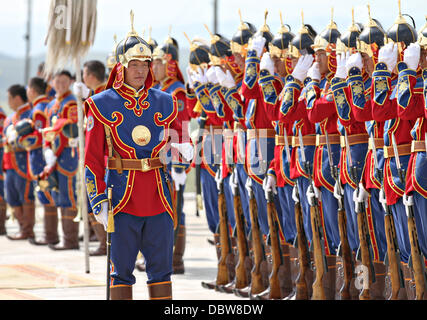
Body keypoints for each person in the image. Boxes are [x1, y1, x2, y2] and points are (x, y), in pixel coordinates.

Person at [84, 20, 193, 300]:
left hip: (158, 195)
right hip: (121, 197)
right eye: (135, 64)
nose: (141, 70)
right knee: (121, 272)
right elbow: (92, 160)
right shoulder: (101, 104)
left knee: (162, 270)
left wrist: (184, 149)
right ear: (121, 67)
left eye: (145, 64)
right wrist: (98, 200)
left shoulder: (166, 101)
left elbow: (183, 139)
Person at [152, 34, 191, 274]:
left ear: (170, 64)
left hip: (172, 160)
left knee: (173, 208)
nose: (153, 67)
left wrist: (178, 165)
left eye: (158, 62)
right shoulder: (158, 89)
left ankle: (174, 259)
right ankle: (160, 255)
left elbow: (181, 130)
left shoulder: (176, 92)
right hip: (159, 158)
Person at [19, 77, 60, 246]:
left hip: (40, 158)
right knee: (44, 194)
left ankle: (50, 235)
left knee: (46, 193)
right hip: (41, 157)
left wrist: (21, 141)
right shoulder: (43, 106)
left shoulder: (39, 109)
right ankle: (49, 234)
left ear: (32, 90)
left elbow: (40, 136)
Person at [73, 60, 108, 256]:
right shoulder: (94, 95)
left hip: (102, 157)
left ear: (91, 76)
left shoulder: (103, 92)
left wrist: (88, 96)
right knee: (89, 199)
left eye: (85, 74)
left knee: (96, 197)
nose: (83, 78)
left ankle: (105, 243)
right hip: (92, 154)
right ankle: (103, 242)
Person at [43, 70, 80, 251]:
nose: (60, 84)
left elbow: (71, 130)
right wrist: (48, 150)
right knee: (58, 193)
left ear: (71, 81)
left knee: (68, 195)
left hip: (67, 153)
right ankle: (63, 237)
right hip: (53, 153)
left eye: (64, 81)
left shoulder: (71, 102)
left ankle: (70, 239)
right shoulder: (52, 104)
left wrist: (55, 150)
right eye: (57, 81)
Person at [4, 85, 35, 241]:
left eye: (9, 97)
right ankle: (22, 228)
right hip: (9, 164)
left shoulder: (29, 114)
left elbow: (32, 139)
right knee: (12, 197)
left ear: (17, 98)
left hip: (23, 163)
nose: (8, 101)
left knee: (25, 197)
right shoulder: (10, 118)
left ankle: (28, 230)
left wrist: (16, 142)